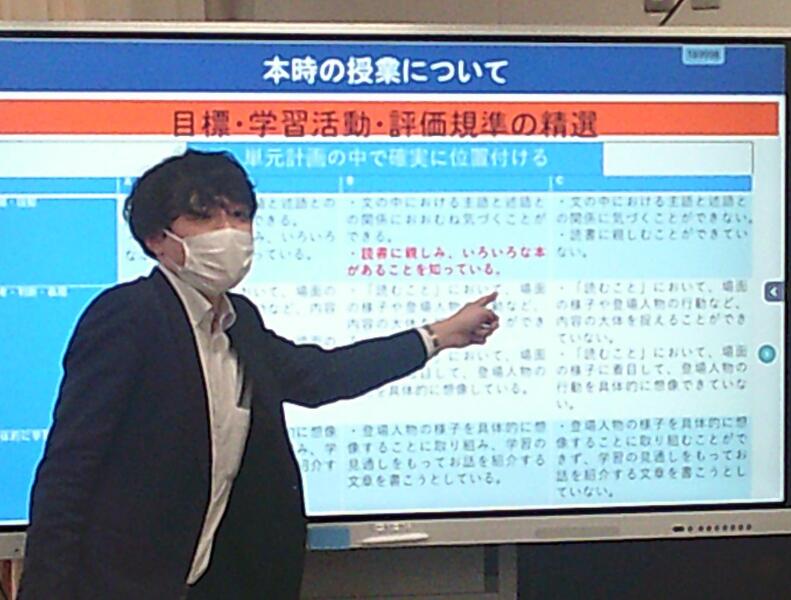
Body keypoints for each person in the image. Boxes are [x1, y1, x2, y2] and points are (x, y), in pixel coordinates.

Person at [18, 150, 499, 600]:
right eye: (204, 217)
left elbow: (320, 375)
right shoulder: (129, 316)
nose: (228, 232)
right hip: (123, 586)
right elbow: (70, 470)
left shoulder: (238, 320)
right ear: (157, 239)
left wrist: (437, 336)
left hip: (215, 582)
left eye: (239, 215)